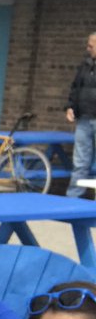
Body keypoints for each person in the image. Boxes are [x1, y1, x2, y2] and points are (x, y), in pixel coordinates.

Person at [65, 32, 96, 198]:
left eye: (90, 46)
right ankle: (72, 200)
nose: (87, 48)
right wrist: (70, 107)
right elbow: (75, 87)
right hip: (84, 119)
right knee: (80, 162)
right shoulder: (85, 65)